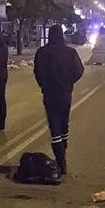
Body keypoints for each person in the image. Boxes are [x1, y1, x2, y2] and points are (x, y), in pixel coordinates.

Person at [34, 25, 84, 175]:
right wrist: (68, 81)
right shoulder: (70, 52)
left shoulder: (42, 52)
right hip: (65, 94)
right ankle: (63, 155)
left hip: (50, 94)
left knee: (54, 127)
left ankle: (61, 161)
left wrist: (43, 84)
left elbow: (37, 72)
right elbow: (79, 70)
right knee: (64, 125)